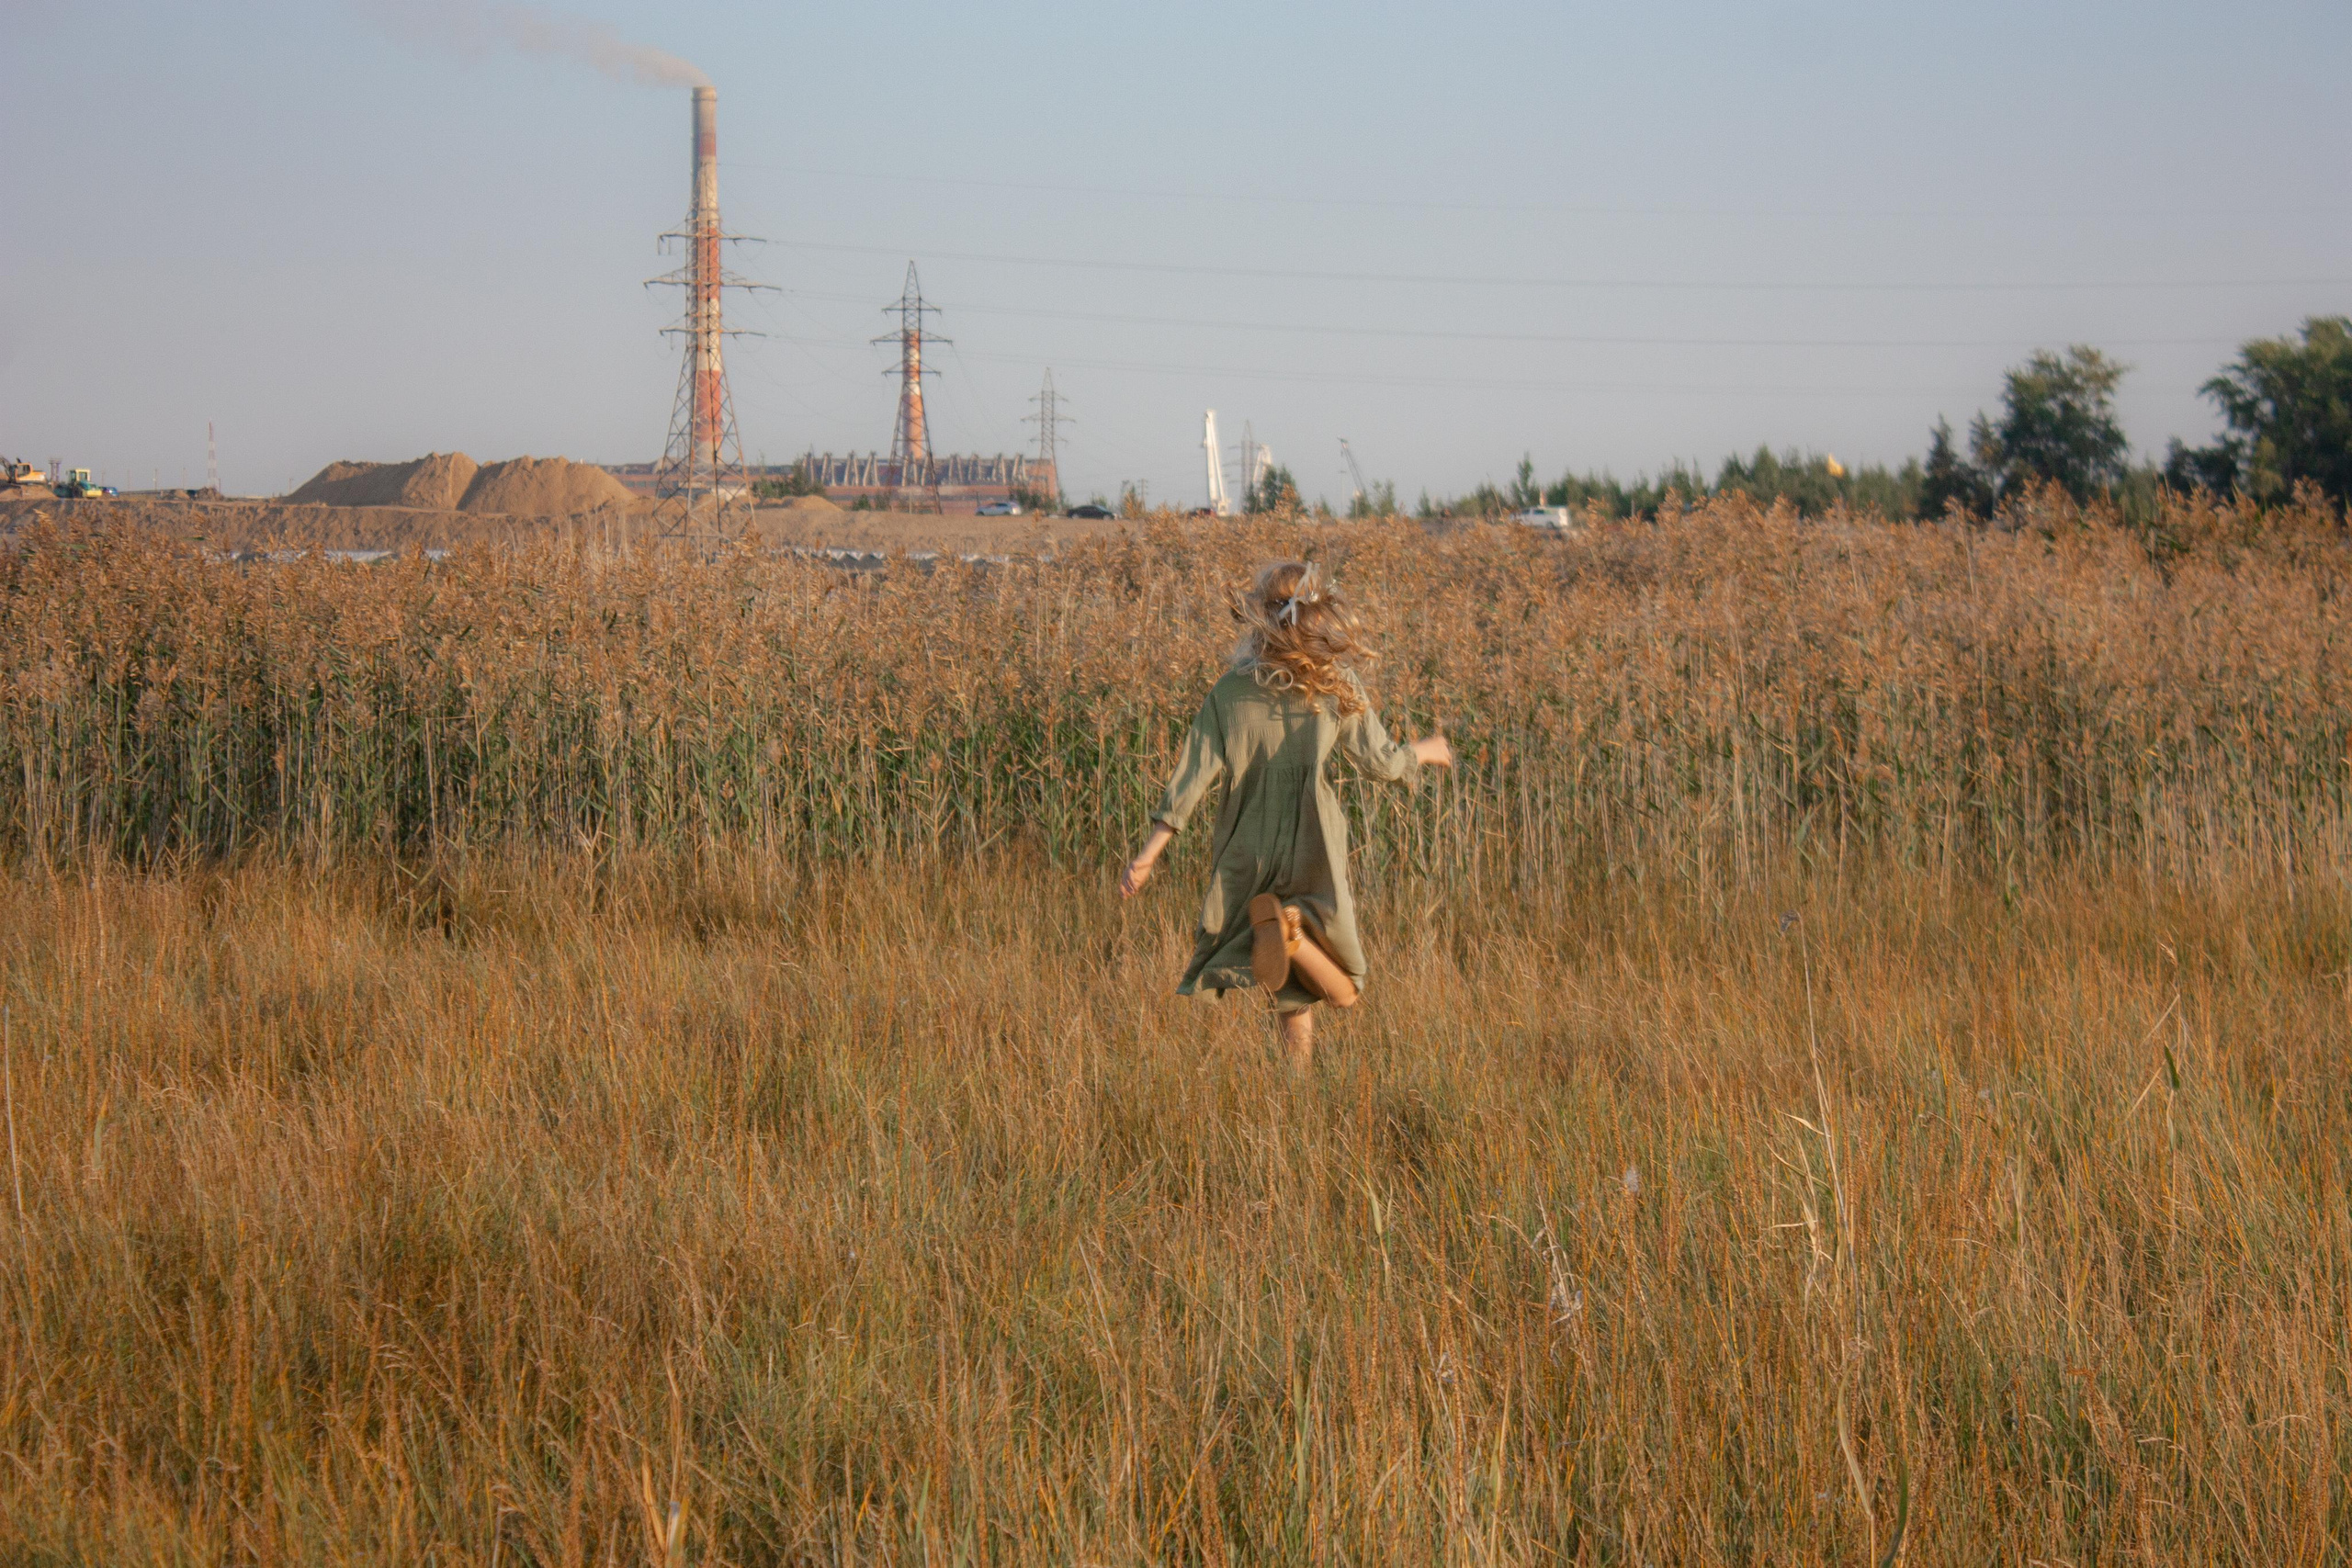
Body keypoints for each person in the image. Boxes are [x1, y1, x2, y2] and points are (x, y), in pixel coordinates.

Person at [1118, 560, 1453, 1072]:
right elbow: (1381, 764)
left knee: (1291, 996)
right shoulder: (1335, 684)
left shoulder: (1229, 691)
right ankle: (1291, 936)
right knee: (1346, 990)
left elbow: (1189, 781)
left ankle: (1295, 1087)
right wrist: (1424, 751)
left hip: (1246, 842)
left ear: (1263, 617)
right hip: (1313, 843)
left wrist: (1146, 857)